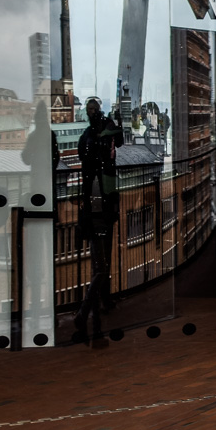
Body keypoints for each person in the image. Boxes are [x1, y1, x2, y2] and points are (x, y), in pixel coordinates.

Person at [72, 97, 125, 346]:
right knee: (100, 268)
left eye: (92, 110)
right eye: (89, 109)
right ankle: (88, 318)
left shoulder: (93, 134)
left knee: (99, 267)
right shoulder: (96, 135)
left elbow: (116, 142)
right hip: (100, 207)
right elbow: (109, 146)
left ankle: (89, 320)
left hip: (97, 207)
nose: (91, 113)